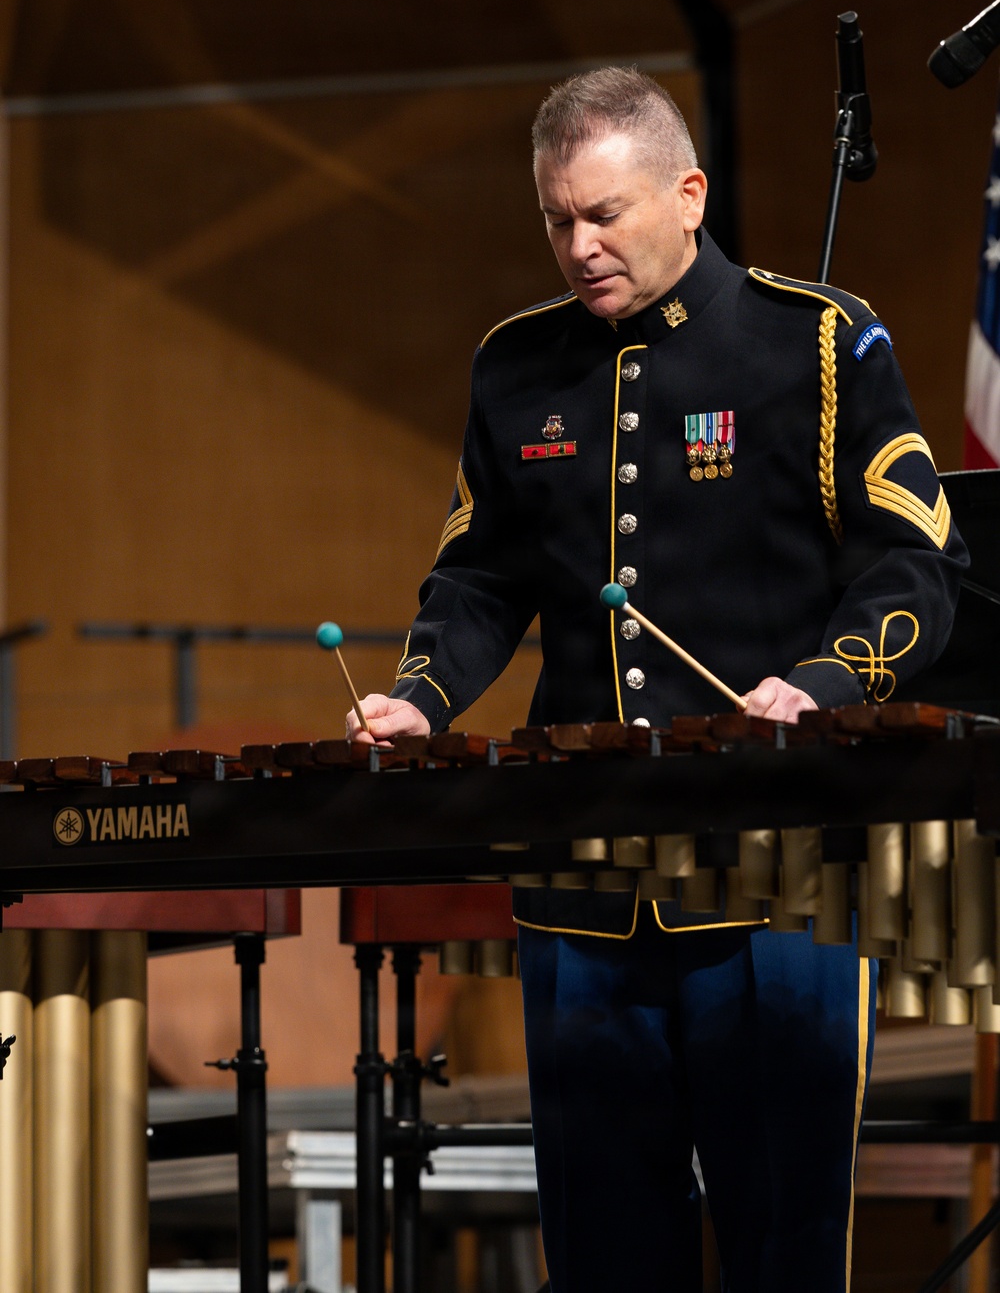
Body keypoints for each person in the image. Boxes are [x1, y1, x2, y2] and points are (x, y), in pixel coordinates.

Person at [347, 68, 968, 1291]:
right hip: (581, 877)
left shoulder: (819, 342)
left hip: (778, 872)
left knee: (780, 1244)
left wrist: (828, 682)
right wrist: (422, 695)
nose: (578, 246)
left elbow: (917, 563)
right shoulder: (517, 366)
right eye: (555, 219)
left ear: (687, 195)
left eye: (605, 215)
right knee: (601, 1253)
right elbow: (478, 580)